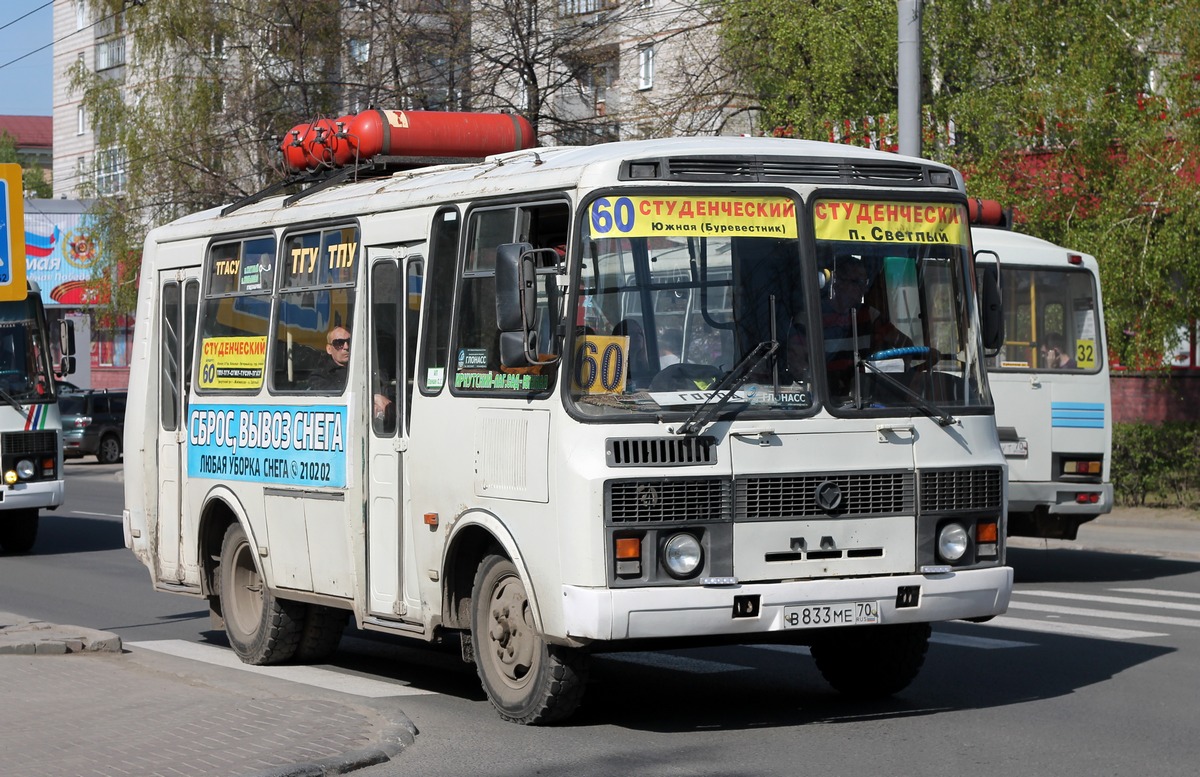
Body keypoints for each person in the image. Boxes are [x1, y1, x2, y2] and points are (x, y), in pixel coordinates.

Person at [821, 257, 911, 393]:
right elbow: (800, 365)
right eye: (857, 282)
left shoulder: (871, 315)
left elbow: (906, 345)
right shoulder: (815, 316)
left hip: (864, 394)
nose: (863, 288)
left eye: (865, 282)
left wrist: (903, 373)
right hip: (826, 396)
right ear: (837, 282)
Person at [308, 325, 393, 419]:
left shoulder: (368, 368)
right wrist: (372, 398)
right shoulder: (320, 376)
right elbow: (339, 399)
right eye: (339, 343)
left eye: (349, 341)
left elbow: (385, 387)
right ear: (329, 349)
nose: (346, 347)